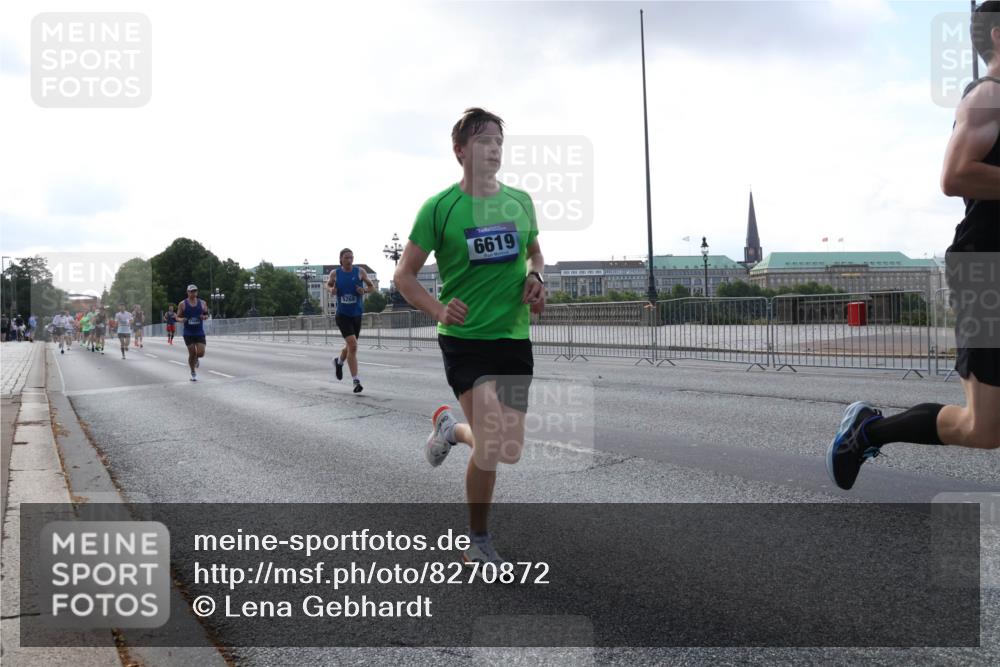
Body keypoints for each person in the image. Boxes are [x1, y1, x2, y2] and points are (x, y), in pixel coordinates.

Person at [828, 2, 1000, 489]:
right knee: (984, 429)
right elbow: (955, 175)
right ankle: (868, 431)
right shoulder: (988, 96)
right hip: (986, 268)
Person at [394, 108, 546, 569]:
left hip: (513, 338)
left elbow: (535, 253)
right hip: (465, 341)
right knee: (493, 441)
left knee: (506, 448)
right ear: (460, 150)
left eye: (498, 141)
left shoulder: (520, 202)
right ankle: (478, 542)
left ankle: (449, 431)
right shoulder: (439, 208)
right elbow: (404, 275)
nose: (494, 149)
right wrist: (439, 310)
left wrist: (537, 278)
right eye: (483, 141)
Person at [327, 248, 375, 393]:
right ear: (341, 259)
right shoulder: (335, 273)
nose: (349, 260)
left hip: (356, 314)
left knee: (350, 346)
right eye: (347, 258)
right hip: (342, 315)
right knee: (353, 345)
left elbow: (372, 287)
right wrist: (331, 290)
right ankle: (356, 381)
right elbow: (328, 285)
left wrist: (364, 291)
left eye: (351, 257)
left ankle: (339, 362)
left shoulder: (360, 272)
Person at [177, 285, 208, 381]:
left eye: (195, 291)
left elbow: (206, 314)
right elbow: (177, 317)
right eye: (191, 291)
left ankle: (196, 359)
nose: (193, 293)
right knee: (192, 353)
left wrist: (204, 317)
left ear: (197, 292)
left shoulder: (202, 303)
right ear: (187, 292)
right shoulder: (182, 304)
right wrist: (182, 319)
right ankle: (193, 371)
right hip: (188, 333)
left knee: (201, 353)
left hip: (199, 332)